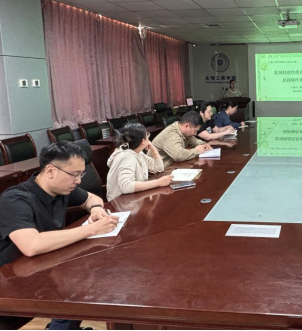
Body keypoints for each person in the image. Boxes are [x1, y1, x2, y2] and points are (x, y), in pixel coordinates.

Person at [0, 142, 119, 331]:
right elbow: (31, 245)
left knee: (89, 279)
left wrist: (96, 209)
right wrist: (92, 229)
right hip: (12, 279)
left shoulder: (61, 189)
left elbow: (91, 198)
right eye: (74, 175)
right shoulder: (15, 199)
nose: (78, 181)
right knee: (80, 284)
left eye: (81, 174)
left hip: (44, 266)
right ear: (50, 171)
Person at [106, 123, 173, 202]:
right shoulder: (127, 157)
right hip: (121, 202)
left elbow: (158, 168)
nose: (148, 138)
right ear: (143, 141)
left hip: (132, 199)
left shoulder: (137, 152)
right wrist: (158, 183)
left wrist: (153, 149)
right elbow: (126, 186)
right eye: (147, 135)